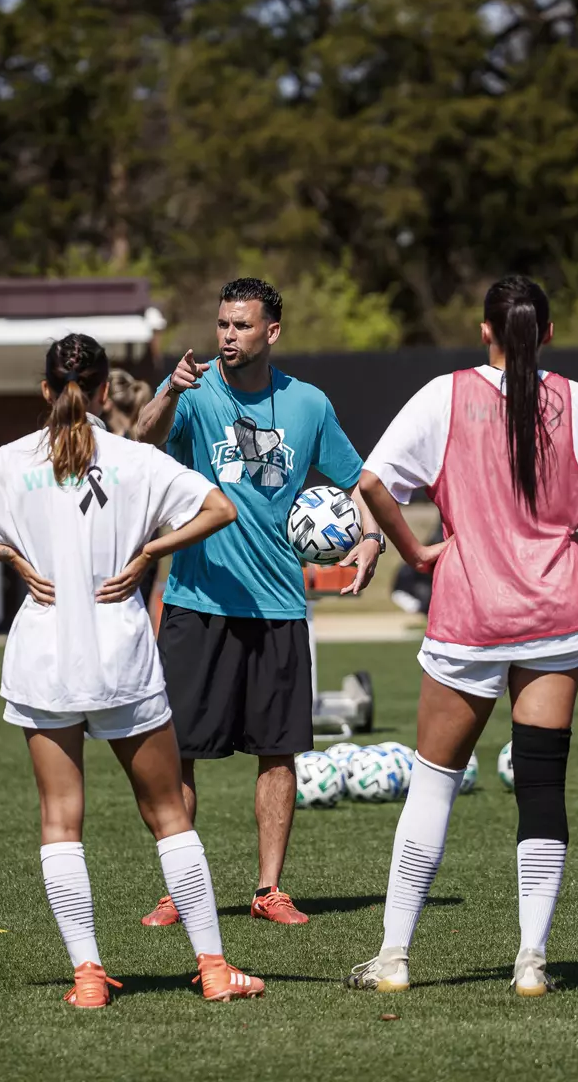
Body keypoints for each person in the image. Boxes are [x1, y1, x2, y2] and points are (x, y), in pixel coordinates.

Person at [344, 275, 578, 996]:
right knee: (540, 789)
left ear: (484, 330)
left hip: (469, 613)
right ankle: (530, 962)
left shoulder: (444, 395)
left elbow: (373, 483)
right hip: (554, 614)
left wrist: (412, 552)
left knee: (434, 784)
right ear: (550, 334)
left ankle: (394, 958)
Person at [0, 334, 263, 1006]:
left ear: (47, 391)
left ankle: (88, 977)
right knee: (168, 817)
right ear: (105, 391)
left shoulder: (13, 462)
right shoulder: (135, 459)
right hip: (122, 656)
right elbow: (222, 507)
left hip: (44, 660)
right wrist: (146, 552)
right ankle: (214, 969)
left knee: (60, 821)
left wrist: (9, 556)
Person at [133, 277, 382, 926]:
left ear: (271, 331)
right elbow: (140, 442)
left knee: (277, 751)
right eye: (222, 325)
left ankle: (269, 889)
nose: (227, 337)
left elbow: (356, 481)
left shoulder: (308, 405)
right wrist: (169, 392)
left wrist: (371, 536)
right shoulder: (194, 389)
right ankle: (178, 890)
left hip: (278, 606)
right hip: (196, 599)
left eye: (241, 326)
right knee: (179, 749)